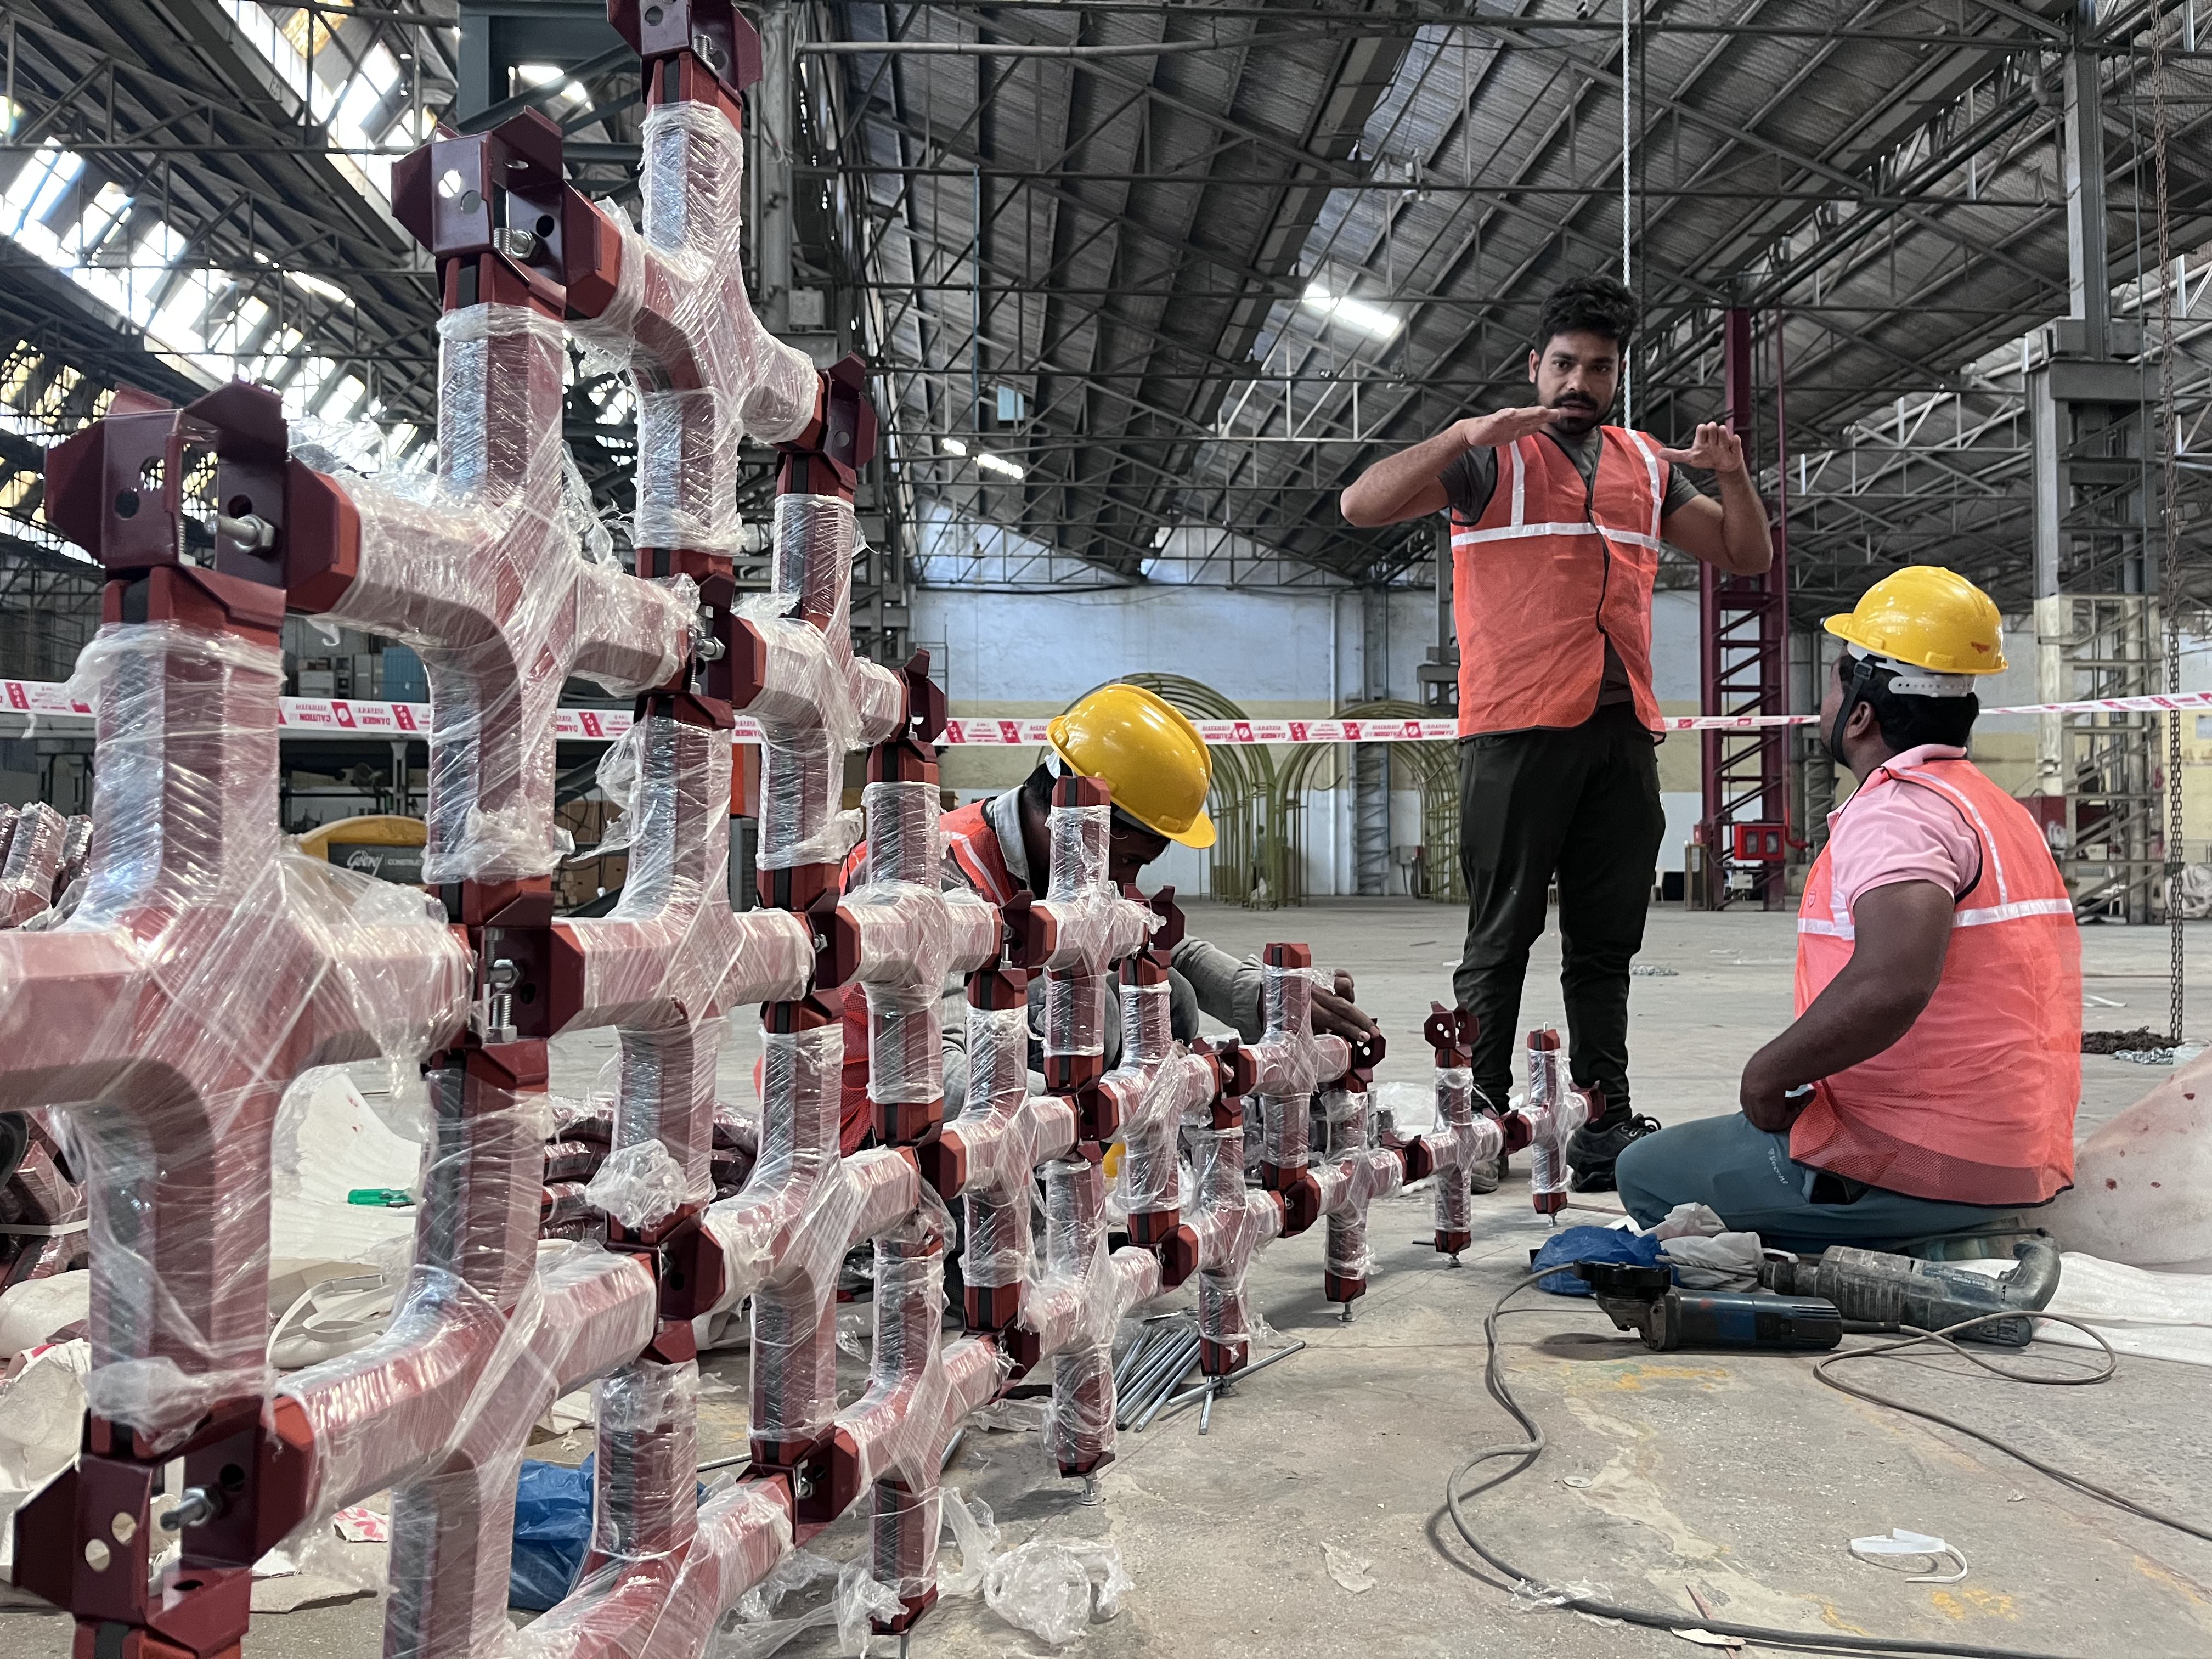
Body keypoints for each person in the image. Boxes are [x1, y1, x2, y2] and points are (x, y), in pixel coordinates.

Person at [1339, 274, 1774, 1189]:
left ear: (1618, 375)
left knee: (1605, 944)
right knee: (1500, 935)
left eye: (1599, 368)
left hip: (1622, 730)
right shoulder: (1489, 460)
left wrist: (1730, 473)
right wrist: (1462, 435)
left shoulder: (1645, 466)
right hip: (1515, 727)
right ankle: (1478, 1115)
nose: (1580, 382)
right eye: (1565, 364)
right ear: (1534, 365)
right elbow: (1361, 506)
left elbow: (1744, 553)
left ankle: (1602, 1117)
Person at [1614, 568, 2081, 1252]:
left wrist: (1768, 1074)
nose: (1827, 701)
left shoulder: (1899, 814)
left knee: (1649, 1175)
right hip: (2021, 1151)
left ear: (1861, 713)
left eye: (1835, 682)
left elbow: (1893, 982)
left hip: (1926, 1158)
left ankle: (1909, 1251)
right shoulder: (1993, 808)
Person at [834, 682, 1381, 1154]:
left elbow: (1158, 946)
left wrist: (1266, 999)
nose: (1125, 883)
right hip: (876, 1123)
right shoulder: (933, 874)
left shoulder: (1072, 862)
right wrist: (1099, 1113)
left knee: (1165, 994)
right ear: (1084, 817)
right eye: (1129, 861)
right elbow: (936, 1074)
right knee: (1093, 1013)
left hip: (992, 1107)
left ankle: (1076, 1169)